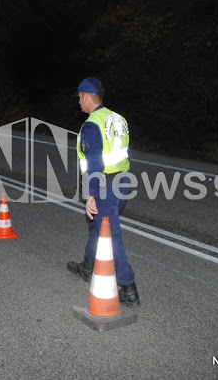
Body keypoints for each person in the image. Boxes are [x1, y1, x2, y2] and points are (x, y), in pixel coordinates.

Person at [67, 77, 140, 307]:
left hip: (104, 185)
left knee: (110, 235)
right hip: (123, 180)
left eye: (79, 98)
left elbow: (95, 162)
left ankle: (128, 289)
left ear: (87, 97)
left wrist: (90, 194)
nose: (78, 102)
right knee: (96, 226)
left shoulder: (92, 124)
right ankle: (89, 266)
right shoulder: (118, 118)